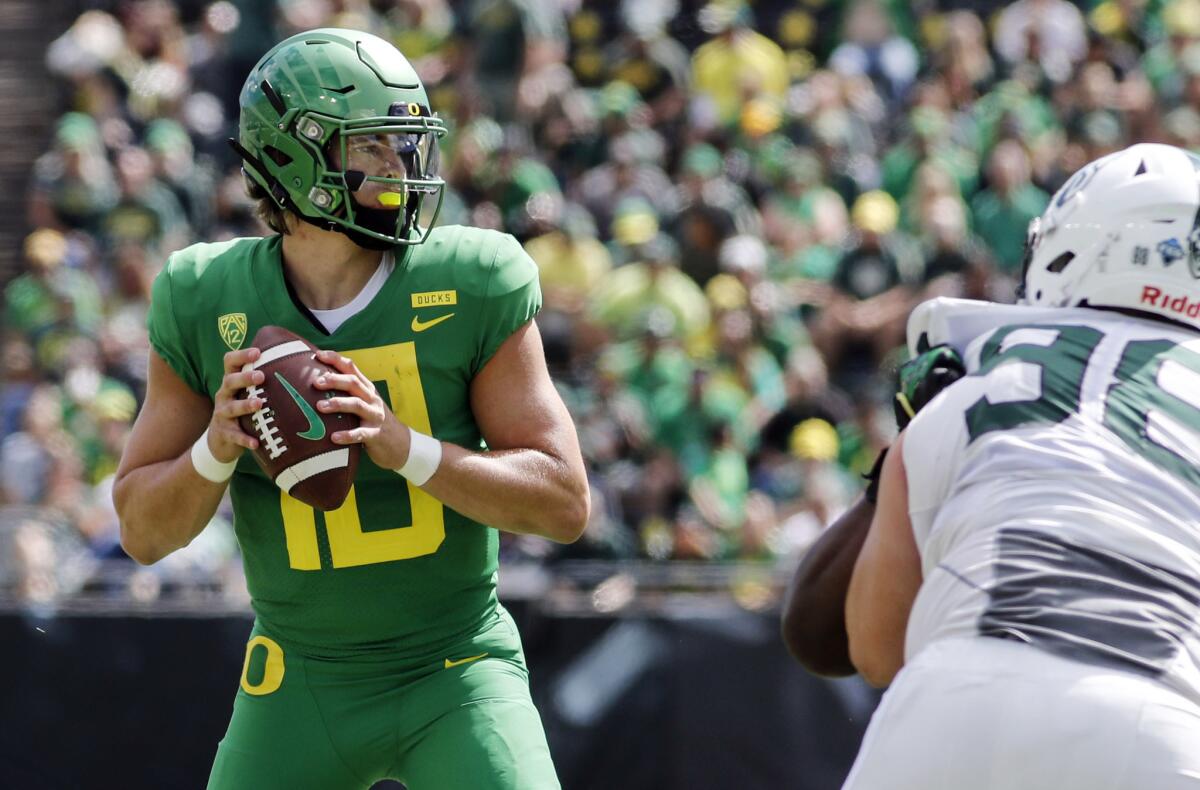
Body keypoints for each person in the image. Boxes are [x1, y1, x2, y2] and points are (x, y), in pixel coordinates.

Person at [112, 28, 588, 790]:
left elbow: (565, 503)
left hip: (456, 667)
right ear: (295, 157)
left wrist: (408, 447)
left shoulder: (474, 277)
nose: (400, 166)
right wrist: (215, 447)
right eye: (371, 147)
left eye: (403, 143)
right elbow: (140, 531)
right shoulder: (205, 294)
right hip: (300, 676)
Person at [782, 143, 1200, 788]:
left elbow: (869, 648)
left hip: (954, 696)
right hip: (1157, 726)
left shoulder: (982, 372)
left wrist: (912, 444)